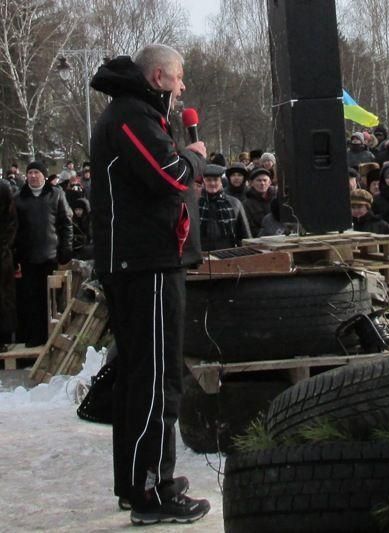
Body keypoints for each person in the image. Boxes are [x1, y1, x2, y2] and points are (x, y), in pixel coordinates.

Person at [89, 44, 210, 523]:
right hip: (146, 266)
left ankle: (139, 485)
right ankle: (151, 491)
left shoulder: (137, 113)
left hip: (147, 263)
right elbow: (170, 173)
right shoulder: (131, 116)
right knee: (157, 381)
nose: (183, 89)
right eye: (179, 79)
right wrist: (196, 157)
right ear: (159, 76)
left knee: (145, 379)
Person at [13, 161, 73, 347]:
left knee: (52, 301)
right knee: (31, 300)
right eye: (29, 172)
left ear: (44, 176)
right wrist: (15, 256)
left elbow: (66, 224)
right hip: (28, 258)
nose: (33, 176)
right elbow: (14, 229)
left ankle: (54, 339)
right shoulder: (19, 198)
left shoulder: (56, 194)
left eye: (36, 172)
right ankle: (34, 338)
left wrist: (66, 250)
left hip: (51, 257)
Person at [198, 164, 251, 251]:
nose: (212, 183)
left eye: (215, 180)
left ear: (221, 182)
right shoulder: (196, 203)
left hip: (227, 252)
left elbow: (244, 234)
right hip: (201, 253)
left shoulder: (234, 203)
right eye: (208, 180)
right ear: (203, 182)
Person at [0, 180, 15, 348]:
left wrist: (4, 246)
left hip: (2, 254)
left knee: (4, 298)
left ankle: (3, 338)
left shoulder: (3, 188)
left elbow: (11, 223)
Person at [243, 168, 273, 235]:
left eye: (265, 180)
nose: (262, 183)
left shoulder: (277, 200)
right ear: (251, 183)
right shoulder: (246, 204)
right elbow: (248, 228)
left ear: (270, 183)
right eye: (258, 180)